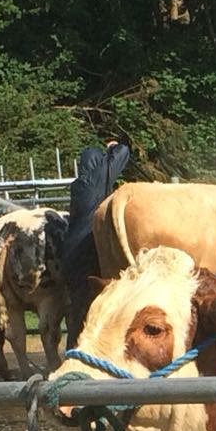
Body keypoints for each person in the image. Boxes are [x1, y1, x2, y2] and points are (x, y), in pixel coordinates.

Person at [62, 138, 131, 347]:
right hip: (87, 248)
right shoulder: (95, 181)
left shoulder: (79, 185)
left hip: (69, 252)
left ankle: (74, 348)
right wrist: (113, 148)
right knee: (90, 306)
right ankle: (83, 350)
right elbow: (122, 153)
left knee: (78, 306)